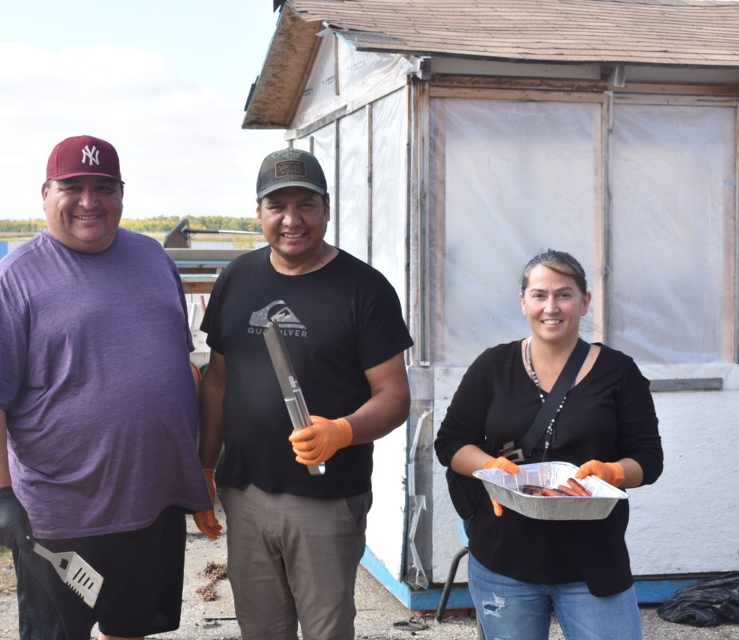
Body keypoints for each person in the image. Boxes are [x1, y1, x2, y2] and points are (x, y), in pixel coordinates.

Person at [0, 134, 211, 640]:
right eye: (73, 187)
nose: (90, 201)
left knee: (130, 628)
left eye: (104, 188)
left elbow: (180, 363)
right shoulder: (14, 281)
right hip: (63, 515)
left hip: (152, 502)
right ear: (45, 194)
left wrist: (198, 463)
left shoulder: (154, 259)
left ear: (121, 194)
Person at [193, 148, 413, 640]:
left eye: (306, 205)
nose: (292, 220)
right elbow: (218, 383)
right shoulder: (237, 279)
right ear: (259, 213)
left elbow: (394, 395)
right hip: (245, 492)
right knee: (261, 629)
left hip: (326, 497)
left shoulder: (365, 289)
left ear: (327, 208)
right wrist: (204, 469)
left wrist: (342, 430)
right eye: (277, 206)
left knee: (325, 631)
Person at [434, 249, 664, 640]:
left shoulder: (619, 372)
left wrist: (613, 472)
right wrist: (490, 467)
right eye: (539, 295)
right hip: (504, 559)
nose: (551, 307)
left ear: (585, 302)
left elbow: (649, 458)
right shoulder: (493, 366)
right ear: (523, 301)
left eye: (565, 294)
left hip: (593, 560)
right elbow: (451, 443)